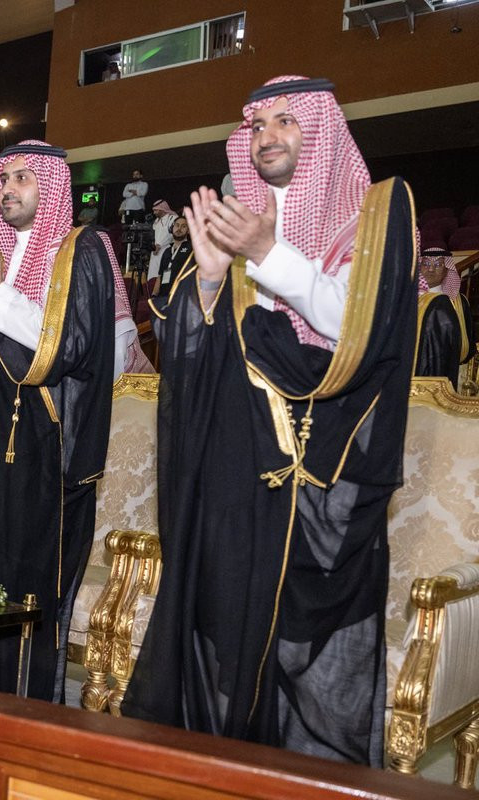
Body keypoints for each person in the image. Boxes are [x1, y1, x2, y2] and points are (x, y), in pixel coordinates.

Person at [123, 77, 418, 767]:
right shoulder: (237, 228)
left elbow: (357, 326)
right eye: (257, 125)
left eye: (286, 120)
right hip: (232, 467)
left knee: (298, 650)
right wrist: (207, 279)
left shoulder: (372, 217)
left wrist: (266, 254)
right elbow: (192, 355)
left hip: (321, 476)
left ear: (320, 130)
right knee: (223, 623)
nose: (268, 135)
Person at [0, 140, 118, 702]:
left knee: (23, 595)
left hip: (44, 460)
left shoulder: (81, 251)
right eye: (4, 179)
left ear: (52, 186)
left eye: (23, 177)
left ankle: (23, 720)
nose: (8, 188)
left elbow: (72, 346)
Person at [414, 247, 473, 389]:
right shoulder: (409, 299)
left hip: (449, 370)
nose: (431, 269)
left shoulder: (459, 302)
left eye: (438, 264)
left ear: (447, 270)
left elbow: (468, 338)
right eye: (426, 264)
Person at [153, 216, 192, 299]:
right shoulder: (167, 251)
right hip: (163, 296)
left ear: (188, 230)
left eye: (183, 226)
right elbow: (159, 276)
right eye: (177, 225)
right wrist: (154, 295)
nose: (179, 228)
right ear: (172, 228)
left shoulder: (191, 248)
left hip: (181, 296)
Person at [146, 199, 178, 283]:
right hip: (155, 251)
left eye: (156, 210)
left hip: (167, 250)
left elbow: (173, 234)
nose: (154, 213)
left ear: (162, 209)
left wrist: (160, 245)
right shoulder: (156, 221)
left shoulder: (172, 218)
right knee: (153, 275)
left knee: (164, 275)